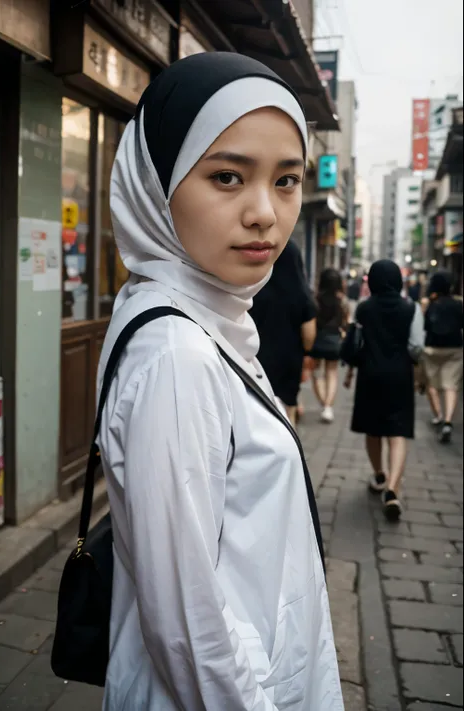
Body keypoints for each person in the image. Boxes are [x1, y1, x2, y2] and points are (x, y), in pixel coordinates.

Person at [97, 52, 343, 710]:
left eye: (286, 180)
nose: (265, 212)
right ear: (156, 184)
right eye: (228, 176)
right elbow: (189, 632)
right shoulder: (178, 353)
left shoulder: (205, 317)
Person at [344, 260, 424, 521]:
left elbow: (357, 343)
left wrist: (351, 370)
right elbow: (416, 347)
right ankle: (392, 488)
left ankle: (379, 474)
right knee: (397, 430)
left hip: (370, 374)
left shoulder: (364, 309)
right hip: (400, 375)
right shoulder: (411, 308)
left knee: (373, 427)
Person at [251, 239, 317, 427]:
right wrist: (307, 351)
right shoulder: (301, 295)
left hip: (255, 357)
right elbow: (309, 333)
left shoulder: (250, 291)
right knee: (287, 410)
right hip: (289, 358)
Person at [422, 270, 463, 443]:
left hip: (432, 348)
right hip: (455, 348)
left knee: (432, 383)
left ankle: (438, 415)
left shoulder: (430, 303)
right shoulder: (459, 304)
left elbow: (425, 326)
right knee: (450, 385)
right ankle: (448, 421)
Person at [309, 268, 349, 423]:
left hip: (317, 341)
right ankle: (328, 407)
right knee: (332, 373)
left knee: (317, 374)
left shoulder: (315, 299)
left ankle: (323, 405)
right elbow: (346, 321)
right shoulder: (342, 301)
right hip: (334, 341)